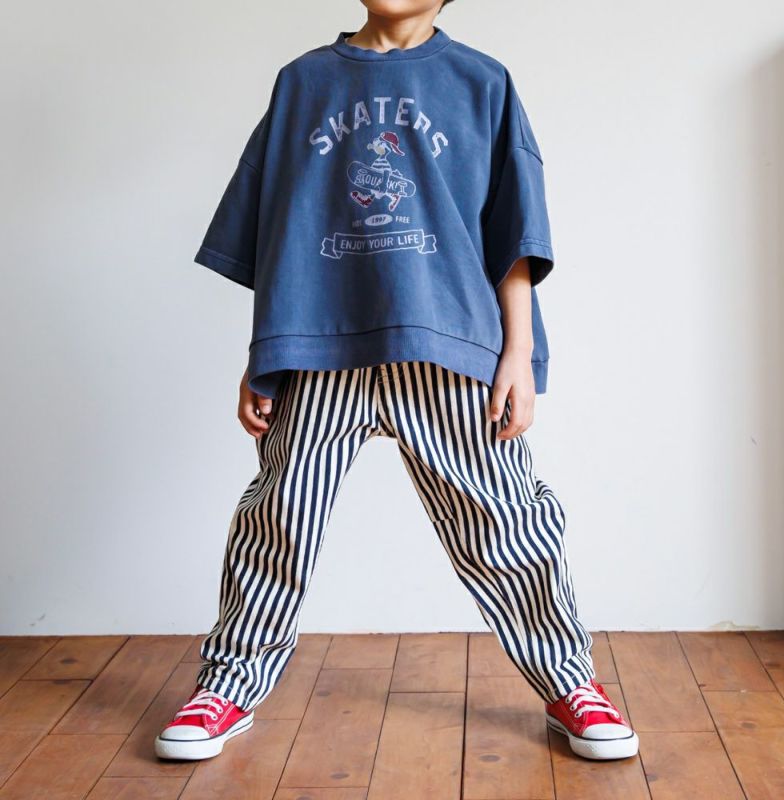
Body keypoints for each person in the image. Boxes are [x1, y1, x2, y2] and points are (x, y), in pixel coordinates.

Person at [155, 0, 639, 764]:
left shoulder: (481, 81)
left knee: (505, 522)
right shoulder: (304, 82)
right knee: (279, 519)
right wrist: (265, 352)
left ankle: (570, 682)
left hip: (447, 343)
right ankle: (229, 684)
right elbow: (280, 225)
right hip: (320, 344)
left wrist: (518, 352)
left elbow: (513, 232)